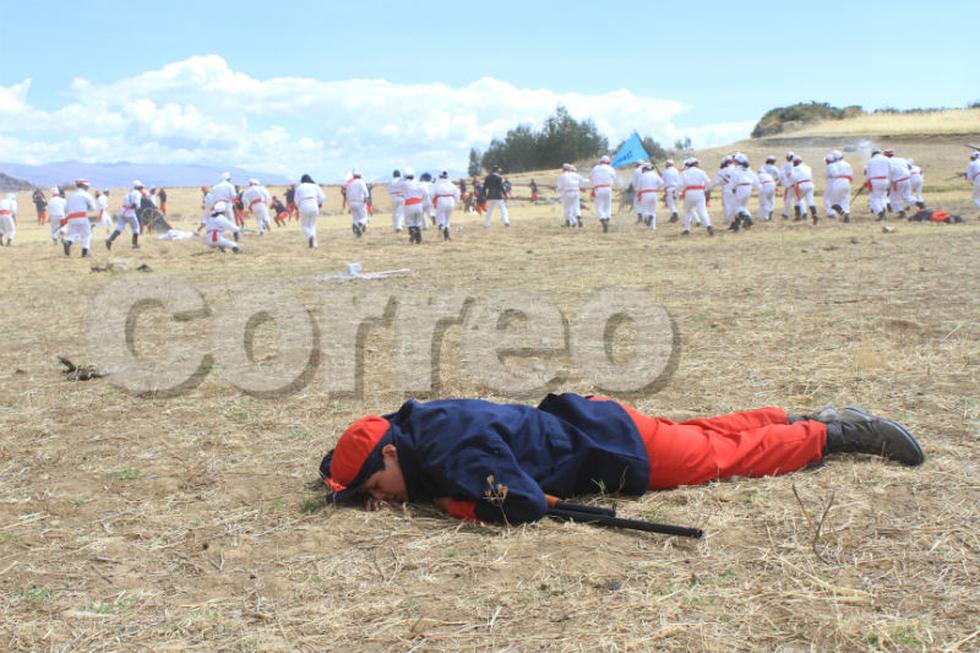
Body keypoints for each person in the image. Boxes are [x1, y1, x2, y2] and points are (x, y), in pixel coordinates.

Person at [318, 393, 924, 524]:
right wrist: (341, 472)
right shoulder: (415, 429)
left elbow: (522, 504)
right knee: (699, 433)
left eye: (374, 483)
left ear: (391, 452)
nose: (378, 497)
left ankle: (836, 435)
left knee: (722, 458)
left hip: (611, 447)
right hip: (595, 419)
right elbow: (345, 455)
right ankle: (788, 417)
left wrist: (452, 504)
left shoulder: (452, 453)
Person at [678, 158, 713, 236]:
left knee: (688, 211)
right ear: (695, 164)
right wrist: (706, 190)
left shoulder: (684, 173)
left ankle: (687, 229)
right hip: (700, 192)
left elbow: (679, 185)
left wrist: (678, 192)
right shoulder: (701, 172)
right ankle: (708, 225)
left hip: (689, 192)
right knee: (702, 210)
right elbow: (708, 182)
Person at [106, 180, 144, 250]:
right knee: (136, 228)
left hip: (121, 212)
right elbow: (136, 205)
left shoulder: (128, 194)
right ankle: (134, 244)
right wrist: (138, 208)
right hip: (130, 213)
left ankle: (110, 240)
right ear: (139, 187)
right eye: (141, 187)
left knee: (120, 226)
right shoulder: (137, 193)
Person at [64, 179, 97, 257]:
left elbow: (65, 208)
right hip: (82, 217)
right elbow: (93, 207)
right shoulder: (86, 195)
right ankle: (85, 253)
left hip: (71, 218)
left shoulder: (70, 195)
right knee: (86, 234)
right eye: (87, 186)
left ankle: (68, 242)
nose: (88, 187)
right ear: (84, 186)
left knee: (73, 234)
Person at [295, 173, 325, 248]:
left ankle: (310, 236)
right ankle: (314, 244)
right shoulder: (315, 186)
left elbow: (296, 200)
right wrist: (319, 203)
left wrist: (299, 207)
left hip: (304, 205)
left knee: (304, 226)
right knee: (312, 225)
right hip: (314, 205)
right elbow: (323, 197)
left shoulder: (299, 187)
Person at [728, 153, 756, 231]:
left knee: (736, 207)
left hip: (740, 188)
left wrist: (731, 189)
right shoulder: (749, 169)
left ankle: (747, 218)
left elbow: (732, 182)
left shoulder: (736, 169)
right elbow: (755, 179)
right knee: (743, 207)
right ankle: (738, 224)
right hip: (749, 187)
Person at [589, 155, 616, 232]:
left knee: (599, 206)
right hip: (608, 188)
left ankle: (603, 219)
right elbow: (614, 177)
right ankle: (607, 219)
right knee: (608, 205)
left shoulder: (595, 168)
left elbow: (590, 178)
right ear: (608, 162)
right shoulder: (610, 168)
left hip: (598, 188)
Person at [825, 150, 853, 222]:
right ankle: (846, 214)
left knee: (833, 202)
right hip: (847, 182)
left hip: (837, 182)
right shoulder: (848, 164)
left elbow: (832, 174)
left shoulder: (833, 165)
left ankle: (842, 213)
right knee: (845, 200)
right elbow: (851, 176)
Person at [400, 168, 427, 244]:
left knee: (410, 222)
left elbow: (401, 192)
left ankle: (412, 231)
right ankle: (418, 239)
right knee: (418, 222)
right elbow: (425, 193)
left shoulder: (403, 184)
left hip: (409, 204)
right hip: (419, 204)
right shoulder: (419, 183)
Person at [884, 149, 913, 221]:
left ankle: (902, 213)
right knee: (907, 197)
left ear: (885, 155)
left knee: (893, 200)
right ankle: (920, 205)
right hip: (907, 180)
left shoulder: (887, 162)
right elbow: (910, 167)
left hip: (898, 182)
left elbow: (887, 174)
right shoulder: (901, 159)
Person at [431, 170, 460, 240]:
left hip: (441, 200)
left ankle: (441, 226)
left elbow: (431, 194)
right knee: (447, 218)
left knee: (441, 216)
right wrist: (456, 201)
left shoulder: (436, 184)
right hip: (451, 200)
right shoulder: (451, 184)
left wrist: (432, 201)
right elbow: (457, 193)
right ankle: (447, 235)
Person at [634, 162, 664, 230]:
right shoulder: (655, 175)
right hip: (654, 193)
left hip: (645, 194)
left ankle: (648, 216)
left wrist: (637, 191)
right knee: (653, 210)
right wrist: (656, 187)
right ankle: (653, 227)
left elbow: (638, 187)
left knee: (645, 210)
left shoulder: (642, 176)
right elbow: (662, 183)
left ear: (644, 168)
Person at [863, 148, 891, 221]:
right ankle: (883, 211)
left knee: (874, 199)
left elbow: (867, 173)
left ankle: (880, 213)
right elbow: (890, 170)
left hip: (875, 181)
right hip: (885, 179)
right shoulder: (886, 159)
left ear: (873, 154)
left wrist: (866, 181)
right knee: (883, 197)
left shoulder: (870, 161)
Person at [790, 155, 817, 224]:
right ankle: (814, 215)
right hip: (810, 184)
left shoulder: (794, 168)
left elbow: (793, 178)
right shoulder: (807, 167)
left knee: (797, 200)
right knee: (810, 200)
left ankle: (798, 216)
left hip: (801, 185)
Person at [555, 163, 584, 228]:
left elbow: (560, 187)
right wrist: (579, 187)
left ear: (563, 169)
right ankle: (578, 218)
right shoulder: (576, 175)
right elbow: (582, 183)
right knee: (576, 207)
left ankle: (568, 222)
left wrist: (556, 190)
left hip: (567, 193)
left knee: (567, 208)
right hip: (576, 192)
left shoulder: (562, 176)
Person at [346, 171, 370, 238]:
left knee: (355, 217)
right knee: (365, 217)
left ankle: (357, 229)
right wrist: (366, 198)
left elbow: (347, 194)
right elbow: (365, 191)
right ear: (360, 176)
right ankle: (360, 224)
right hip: (359, 202)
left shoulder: (349, 183)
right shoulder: (361, 182)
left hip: (351, 202)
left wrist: (349, 204)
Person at [779, 152, 796, 219]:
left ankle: (786, 214)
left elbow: (781, 174)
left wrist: (782, 182)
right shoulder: (796, 164)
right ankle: (803, 213)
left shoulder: (785, 165)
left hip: (790, 185)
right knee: (799, 199)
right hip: (797, 184)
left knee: (787, 199)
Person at [967, 151, 980, 216]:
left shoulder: (971, 163)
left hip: (978, 179)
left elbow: (969, 177)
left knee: (975, 198)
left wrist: (972, 183)